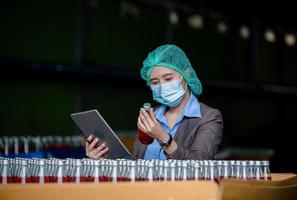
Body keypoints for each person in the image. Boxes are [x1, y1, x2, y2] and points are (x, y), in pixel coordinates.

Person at [86, 44, 223, 160]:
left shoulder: (208, 117)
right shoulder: (151, 115)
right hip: (143, 191)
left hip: (179, 192)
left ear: (186, 75)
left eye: (168, 79)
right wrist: (103, 160)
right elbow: (137, 164)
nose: (162, 86)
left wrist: (164, 138)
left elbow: (199, 167)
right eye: (155, 82)